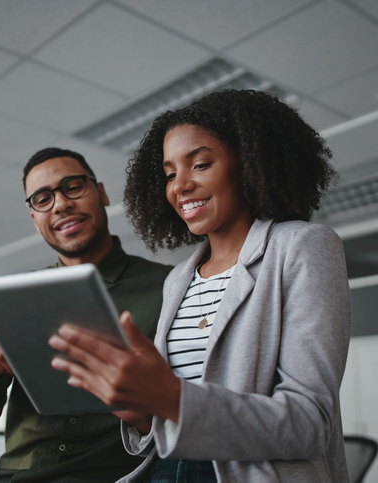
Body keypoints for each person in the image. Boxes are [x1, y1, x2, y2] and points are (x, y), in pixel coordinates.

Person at [48, 90, 352, 482]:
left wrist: (172, 398)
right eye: (170, 173)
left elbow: (310, 425)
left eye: (201, 164)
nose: (180, 185)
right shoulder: (178, 279)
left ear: (250, 164)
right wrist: (141, 414)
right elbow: (168, 427)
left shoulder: (302, 246)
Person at [0, 147, 172, 483]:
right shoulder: (14, 299)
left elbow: (191, 405)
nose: (61, 204)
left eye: (73, 186)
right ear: (35, 221)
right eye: (42, 198)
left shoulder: (170, 286)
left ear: (102, 193)